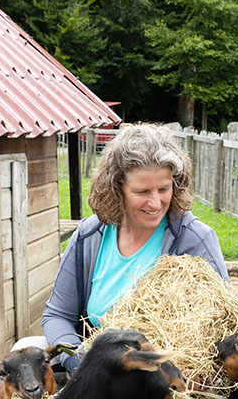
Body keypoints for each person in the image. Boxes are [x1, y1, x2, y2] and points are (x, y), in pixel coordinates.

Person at [40, 123, 228, 373]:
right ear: (117, 189)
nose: (155, 202)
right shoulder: (90, 236)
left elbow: (224, 324)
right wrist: (80, 362)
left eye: (164, 189)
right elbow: (57, 315)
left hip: (165, 378)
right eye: (142, 191)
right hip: (97, 372)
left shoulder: (194, 240)